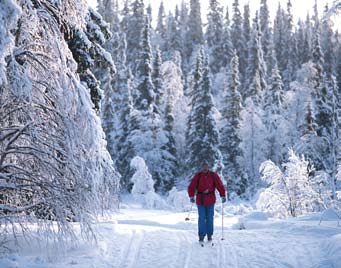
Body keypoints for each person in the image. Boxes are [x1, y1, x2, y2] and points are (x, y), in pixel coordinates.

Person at [188, 161, 226, 243]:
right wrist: (191, 196)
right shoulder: (198, 176)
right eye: (203, 167)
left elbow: (220, 185)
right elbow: (191, 186)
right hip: (200, 200)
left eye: (206, 166)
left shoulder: (213, 175)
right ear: (201, 168)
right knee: (201, 218)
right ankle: (201, 236)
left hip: (210, 200)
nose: (204, 168)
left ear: (208, 167)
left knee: (210, 218)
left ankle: (209, 235)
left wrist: (223, 195)